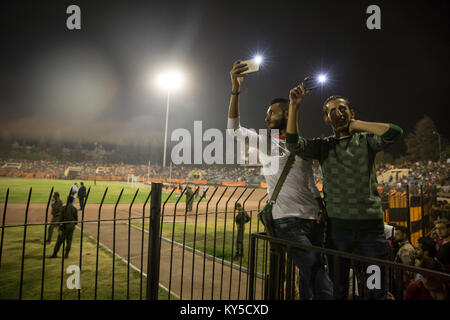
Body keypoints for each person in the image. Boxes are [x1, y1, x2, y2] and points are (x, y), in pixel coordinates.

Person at [226, 60, 333, 300]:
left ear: (286, 113)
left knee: (307, 276)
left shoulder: (303, 144)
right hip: (286, 220)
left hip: (314, 218)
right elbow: (233, 130)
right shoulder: (266, 142)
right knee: (316, 271)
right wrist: (235, 88)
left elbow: (307, 182)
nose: (266, 118)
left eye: (271, 112)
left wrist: (320, 206)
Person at [286, 84, 403, 300]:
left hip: (371, 233)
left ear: (352, 113)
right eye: (332, 111)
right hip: (338, 233)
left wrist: (357, 125)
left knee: (375, 290)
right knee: (337, 289)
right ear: (326, 120)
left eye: (342, 109)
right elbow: (294, 145)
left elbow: (394, 132)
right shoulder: (323, 146)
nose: (338, 113)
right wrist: (294, 106)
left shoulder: (366, 141)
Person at [393, 225, 416, 298]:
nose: (395, 236)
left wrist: (404, 285)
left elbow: (407, 270)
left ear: (405, 235)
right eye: (395, 234)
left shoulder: (405, 249)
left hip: (404, 284)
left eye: (398, 234)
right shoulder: (403, 247)